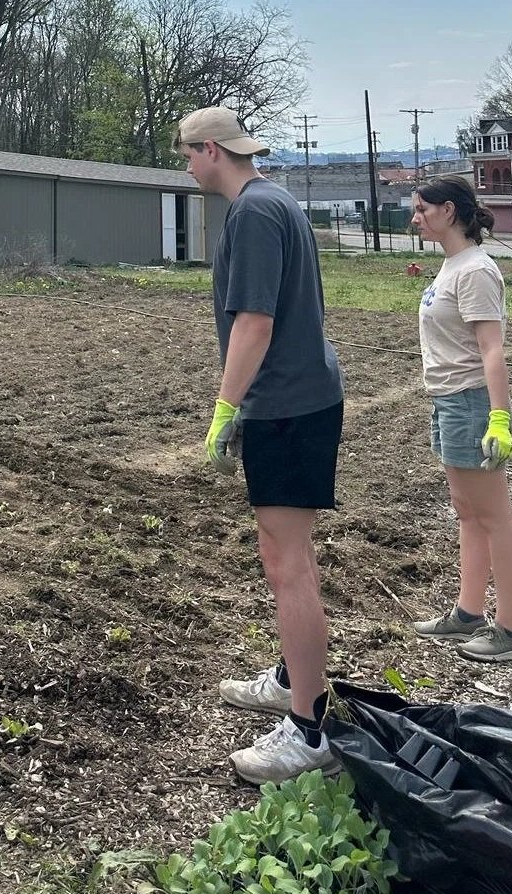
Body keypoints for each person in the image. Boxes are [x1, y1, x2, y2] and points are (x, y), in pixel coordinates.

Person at [175, 107, 345, 784]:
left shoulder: (252, 214)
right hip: (300, 399)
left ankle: (308, 732)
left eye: (187, 154)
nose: (185, 166)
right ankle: (288, 678)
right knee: (284, 554)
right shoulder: (276, 201)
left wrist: (224, 408)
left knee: (287, 564)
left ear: (211, 150)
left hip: (287, 408)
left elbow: (254, 322)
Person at [409, 176, 512, 663]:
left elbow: (492, 349)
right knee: (467, 511)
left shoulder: (477, 270)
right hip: (447, 399)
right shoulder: (451, 265)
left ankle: (510, 631)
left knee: (493, 515)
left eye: (422, 208)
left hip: (470, 401)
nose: (415, 216)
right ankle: (469, 612)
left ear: (450, 212)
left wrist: (499, 418)